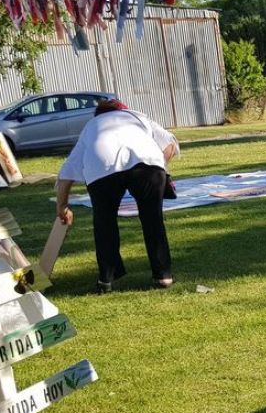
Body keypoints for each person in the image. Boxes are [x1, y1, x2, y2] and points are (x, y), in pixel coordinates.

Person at [54, 98, 178, 293]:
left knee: (104, 222)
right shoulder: (137, 116)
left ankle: (106, 279)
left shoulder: (91, 126)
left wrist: (62, 206)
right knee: (153, 219)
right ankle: (163, 275)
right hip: (147, 164)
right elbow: (169, 144)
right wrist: (161, 166)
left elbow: (67, 173)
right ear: (123, 109)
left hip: (102, 166)